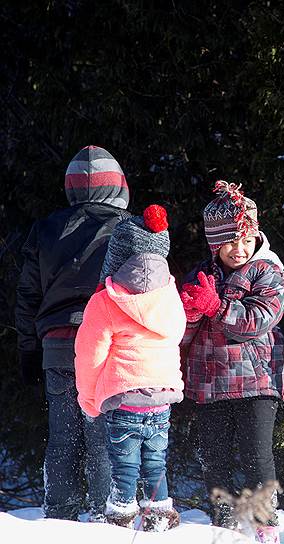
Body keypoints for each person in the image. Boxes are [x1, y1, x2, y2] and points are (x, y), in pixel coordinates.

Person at [15, 145, 130, 521]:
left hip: (58, 346)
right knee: (102, 436)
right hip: (107, 345)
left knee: (63, 436)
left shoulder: (45, 229)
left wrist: (28, 350)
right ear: (119, 186)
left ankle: (59, 515)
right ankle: (103, 516)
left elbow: (28, 296)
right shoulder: (128, 229)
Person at [179, 181, 284, 544]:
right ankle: (221, 526)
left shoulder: (268, 271)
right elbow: (181, 334)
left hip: (256, 381)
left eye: (246, 239)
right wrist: (191, 313)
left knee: (257, 457)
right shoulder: (201, 273)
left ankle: (265, 526)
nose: (239, 249)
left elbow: (257, 321)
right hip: (209, 383)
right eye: (230, 242)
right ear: (215, 243)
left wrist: (217, 306)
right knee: (214, 459)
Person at [74, 204, 185, 531]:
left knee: (124, 464)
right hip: (163, 396)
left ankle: (121, 516)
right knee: (155, 461)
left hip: (125, 397)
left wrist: (89, 399)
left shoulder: (106, 299)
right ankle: (160, 514)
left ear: (118, 254)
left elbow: (89, 353)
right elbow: (176, 333)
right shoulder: (169, 294)